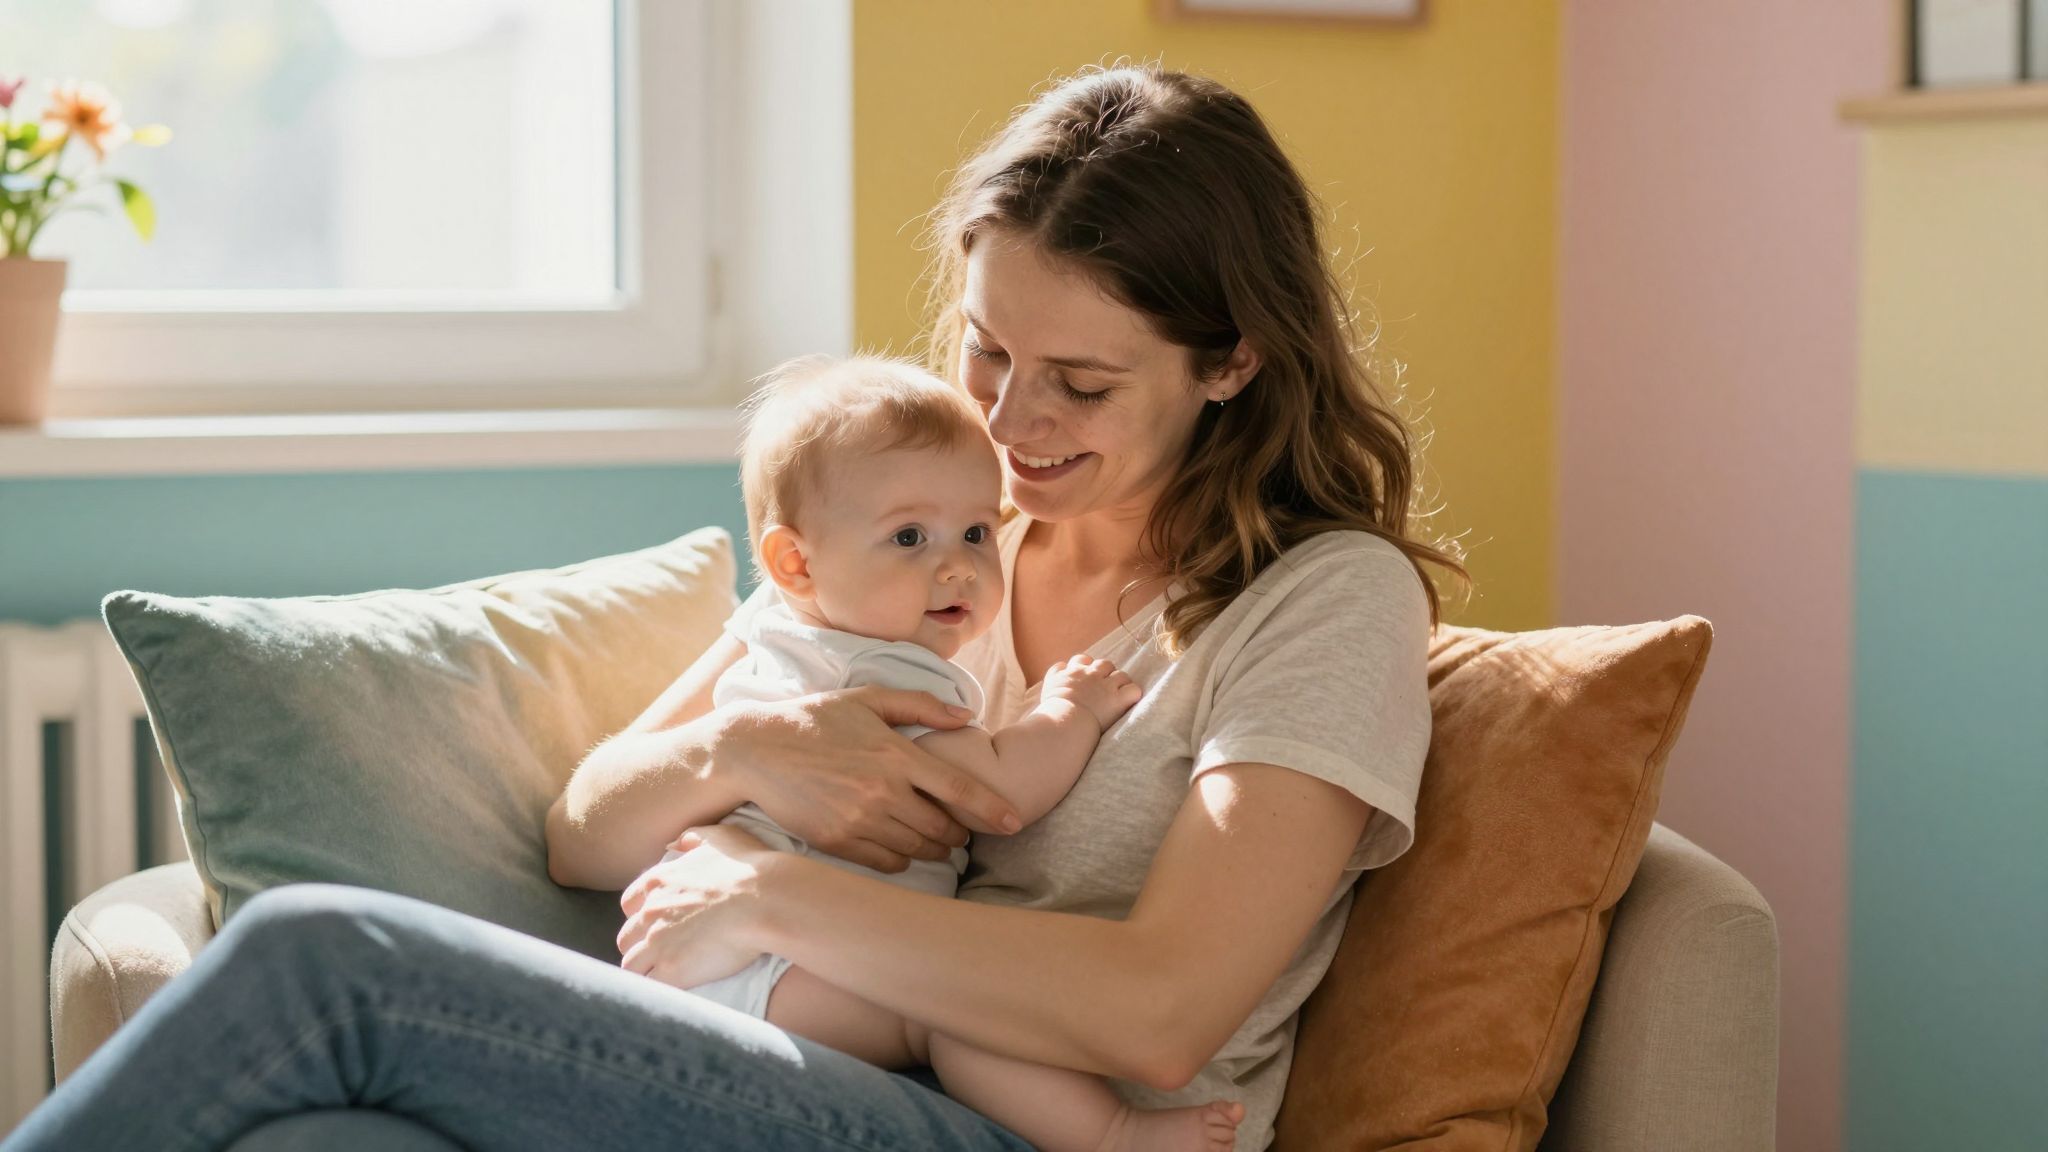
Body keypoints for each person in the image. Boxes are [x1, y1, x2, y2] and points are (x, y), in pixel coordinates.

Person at [0, 63, 1466, 1152]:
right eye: (986, 351)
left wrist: (771, 893)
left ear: (1233, 362)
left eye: (1079, 385)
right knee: (329, 1130)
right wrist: (749, 754)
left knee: (324, 962)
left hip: (1045, 1126)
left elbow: (1160, 1008)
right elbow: (585, 822)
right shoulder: (939, 534)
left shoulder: (1321, 603)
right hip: (819, 1051)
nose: (1011, 420)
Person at [656, 352, 1241, 1150]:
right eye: (909, 537)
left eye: (976, 531)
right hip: (778, 978)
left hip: (736, 961)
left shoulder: (790, 638)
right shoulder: (883, 669)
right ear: (795, 562)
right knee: (961, 1014)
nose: (958, 565)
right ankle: (1113, 1136)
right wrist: (1070, 711)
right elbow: (1000, 790)